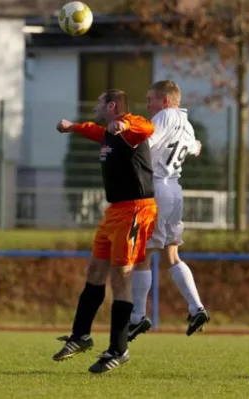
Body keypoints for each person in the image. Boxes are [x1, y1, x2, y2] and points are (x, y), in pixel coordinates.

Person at [51, 89, 158, 374]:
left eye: (99, 102)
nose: (95, 106)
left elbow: (148, 126)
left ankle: (118, 349)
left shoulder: (130, 128)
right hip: (114, 212)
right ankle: (81, 335)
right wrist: (72, 127)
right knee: (95, 271)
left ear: (112, 106)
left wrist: (125, 124)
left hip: (136, 209)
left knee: (120, 277)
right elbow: (92, 129)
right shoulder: (108, 133)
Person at [126, 80, 209, 341]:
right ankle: (196, 307)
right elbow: (195, 147)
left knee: (142, 253)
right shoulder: (186, 121)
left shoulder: (165, 116)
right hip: (175, 189)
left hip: (158, 189)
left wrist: (124, 143)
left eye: (151, 99)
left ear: (165, 101)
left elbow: (146, 144)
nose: (148, 104)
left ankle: (137, 316)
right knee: (172, 253)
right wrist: (195, 147)